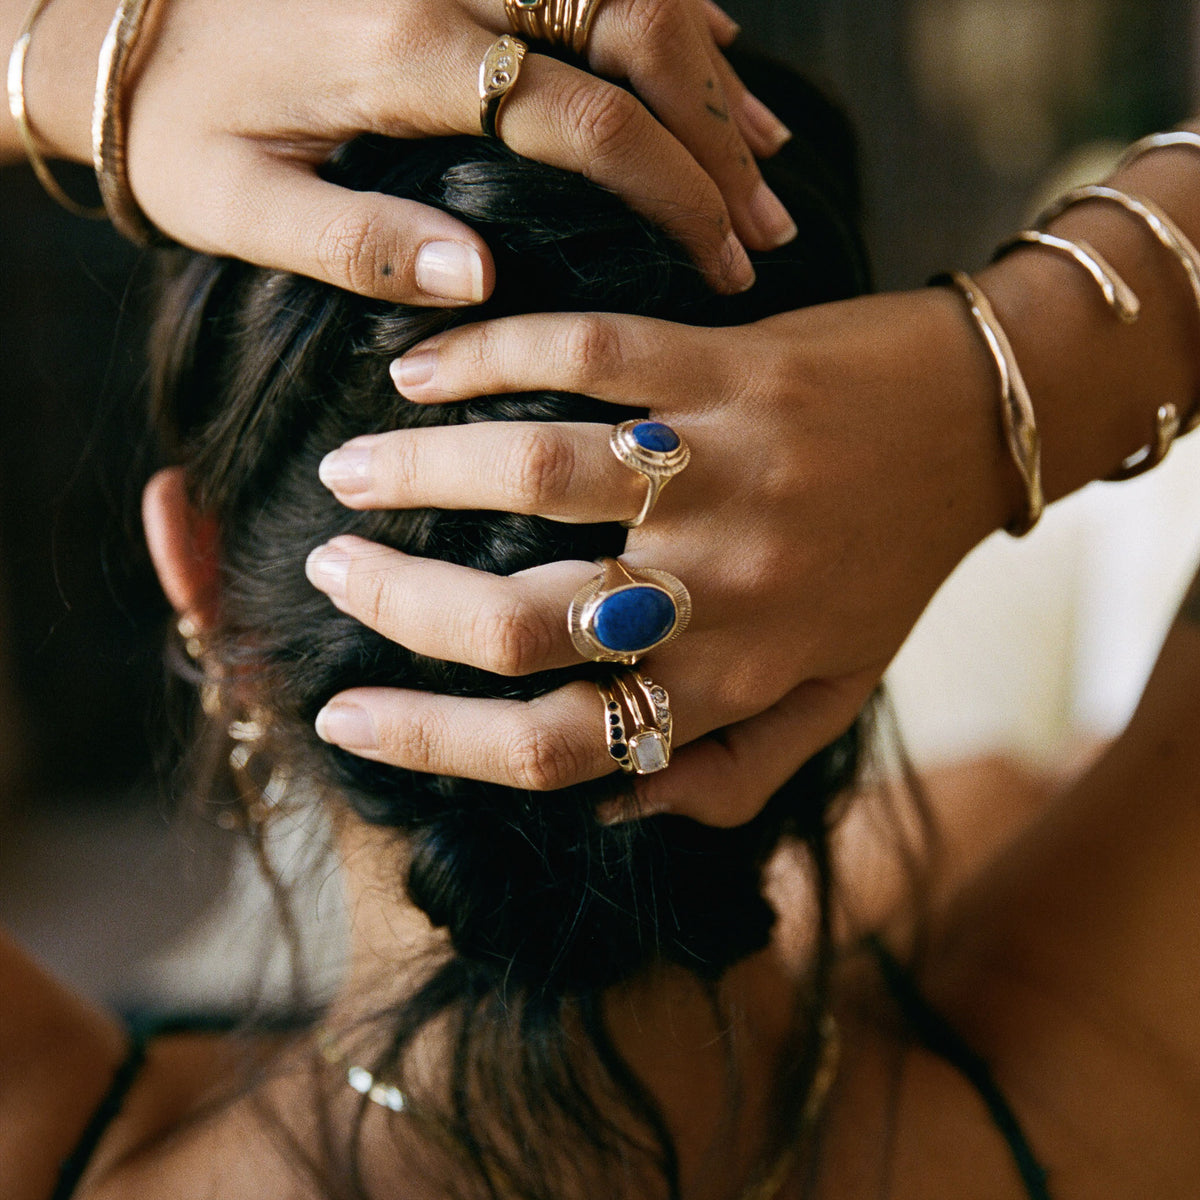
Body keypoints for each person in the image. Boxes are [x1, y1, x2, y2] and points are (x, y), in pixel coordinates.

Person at [6, 44, 1200, 1200]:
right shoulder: (1110, 1062)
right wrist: (995, 389)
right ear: (870, 556)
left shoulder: (55, 1147)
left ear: (202, 581)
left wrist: (95, 58)